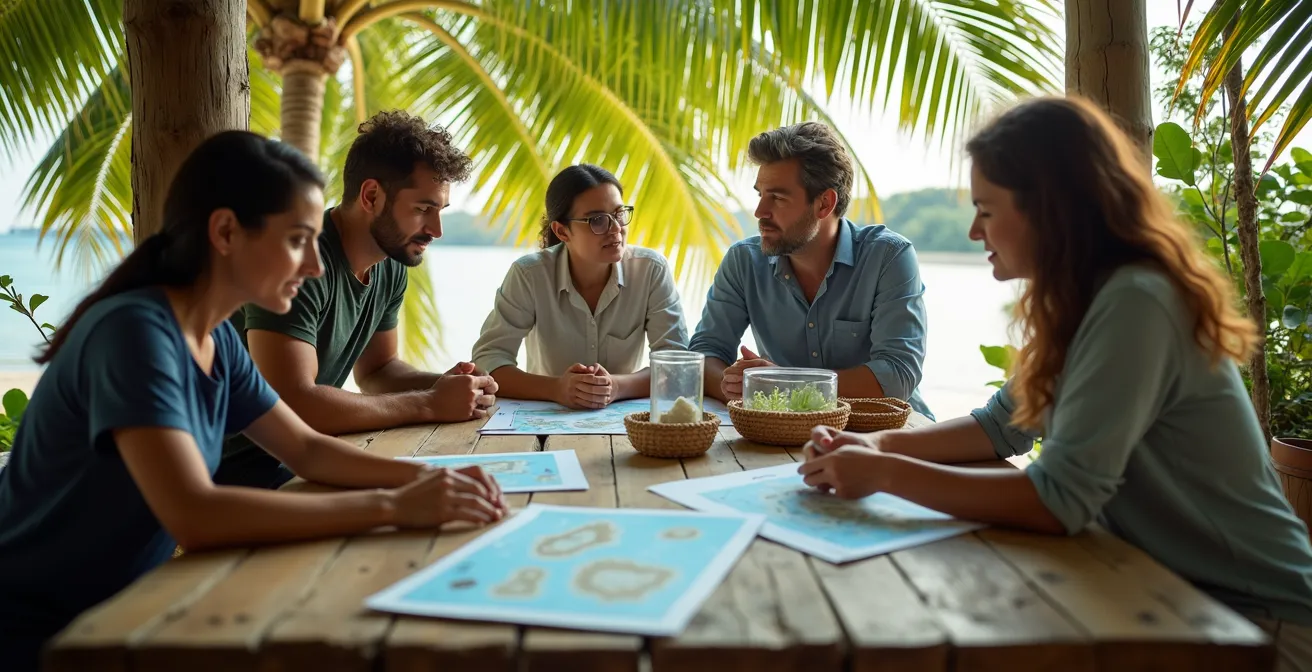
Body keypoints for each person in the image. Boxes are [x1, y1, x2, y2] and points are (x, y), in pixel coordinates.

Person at [798, 96, 1312, 670]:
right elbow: (1001, 426)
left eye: (987, 210)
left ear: (1050, 209)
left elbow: (1060, 498)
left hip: (1258, 622)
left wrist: (886, 474)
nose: (973, 230)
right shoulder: (1084, 301)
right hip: (1160, 592)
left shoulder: (1136, 301)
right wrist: (877, 443)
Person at [0, 131, 508, 672]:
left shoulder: (216, 339)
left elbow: (306, 450)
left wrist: (430, 483)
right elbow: (194, 514)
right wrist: (393, 507)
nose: (315, 264)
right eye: (296, 240)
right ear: (225, 231)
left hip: (118, 611)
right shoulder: (135, 333)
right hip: (38, 628)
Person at [217, 110, 498, 490]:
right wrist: (430, 403)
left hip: (308, 454)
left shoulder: (391, 261)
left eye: (440, 210)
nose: (436, 230)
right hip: (239, 472)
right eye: (422, 209)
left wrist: (450, 386)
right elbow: (294, 401)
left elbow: (378, 371)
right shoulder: (298, 262)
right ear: (371, 196)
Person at [688, 121, 932, 418]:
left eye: (777, 197)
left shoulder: (889, 257)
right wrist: (735, 385)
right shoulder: (744, 261)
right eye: (760, 194)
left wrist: (783, 382)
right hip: (783, 434)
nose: (760, 212)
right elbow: (704, 355)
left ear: (824, 203)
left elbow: (896, 376)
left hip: (888, 432)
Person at [471, 164, 688, 409]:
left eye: (618, 214)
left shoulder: (651, 270)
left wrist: (617, 387)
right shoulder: (529, 275)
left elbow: (678, 364)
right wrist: (556, 389)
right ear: (562, 231)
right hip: (544, 422)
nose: (616, 229)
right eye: (597, 220)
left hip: (627, 424)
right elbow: (488, 360)